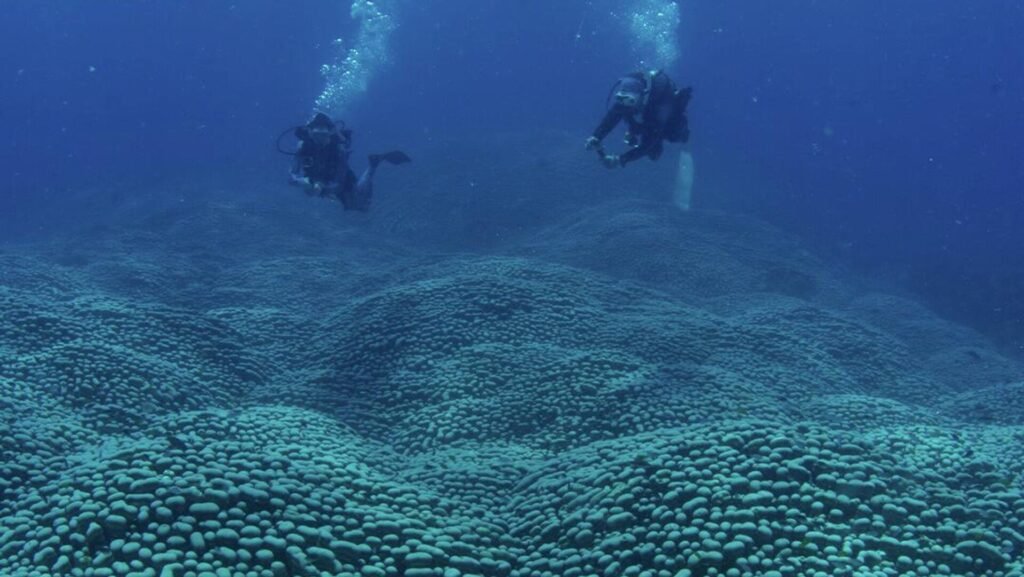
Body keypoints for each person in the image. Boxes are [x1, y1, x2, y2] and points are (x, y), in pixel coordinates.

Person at [288, 112, 410, 211]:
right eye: (316, 136)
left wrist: (324, 189)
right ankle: (374, 163)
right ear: (309, 133)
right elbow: (292, 177)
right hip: (319, 181)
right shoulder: (303, 147)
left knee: (361, 206)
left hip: (339, 179)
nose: (319, 141)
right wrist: (303, 182)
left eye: (323, 136)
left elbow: (339, 182)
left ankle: (374, 164)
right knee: (311, 193)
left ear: (330, 133)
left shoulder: (338, 149)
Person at [585, 70, 692, 169]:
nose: (625, 105)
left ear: (642, 95)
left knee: (655, 151)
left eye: (630, 101)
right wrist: (596, 137)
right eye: (621, 99)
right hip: (646, 117)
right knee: (633, 121)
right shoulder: (626, 100)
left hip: (662, 122)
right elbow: (611, 118)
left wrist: (620, 159)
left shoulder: (658, 108)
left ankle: (683, 136)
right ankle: (636, 131)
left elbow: (647, 144)